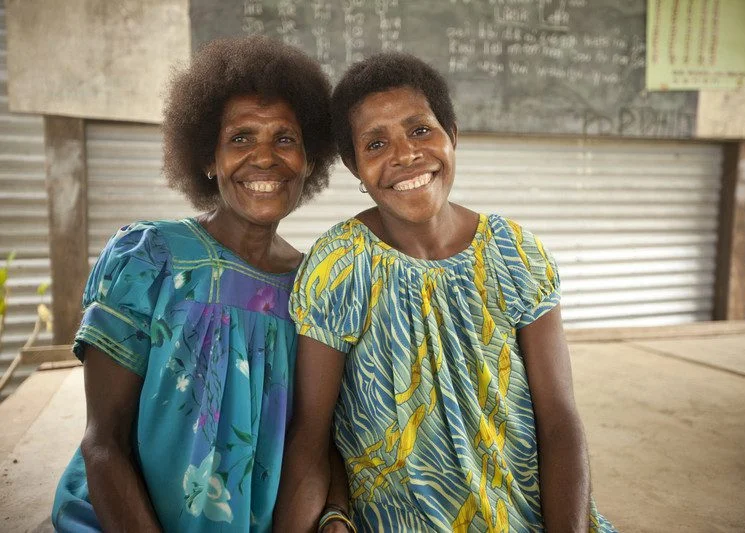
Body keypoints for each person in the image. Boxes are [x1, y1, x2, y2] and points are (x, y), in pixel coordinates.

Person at [275, 53, 617, 532]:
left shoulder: (516, 253)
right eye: (376, 143)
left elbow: (559, 422)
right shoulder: (339, 266)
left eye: (420, 131)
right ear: (354, 166)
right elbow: (311, 436)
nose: (405, 155)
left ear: (451, 135)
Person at [51, 36, 340, 532]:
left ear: (309, 161)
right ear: (208, 158)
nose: (265, 158)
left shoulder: (314, 288)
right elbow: (104, 443)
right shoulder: (150, 259)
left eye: (285, 139)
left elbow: (318, 439)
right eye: (241, 138)